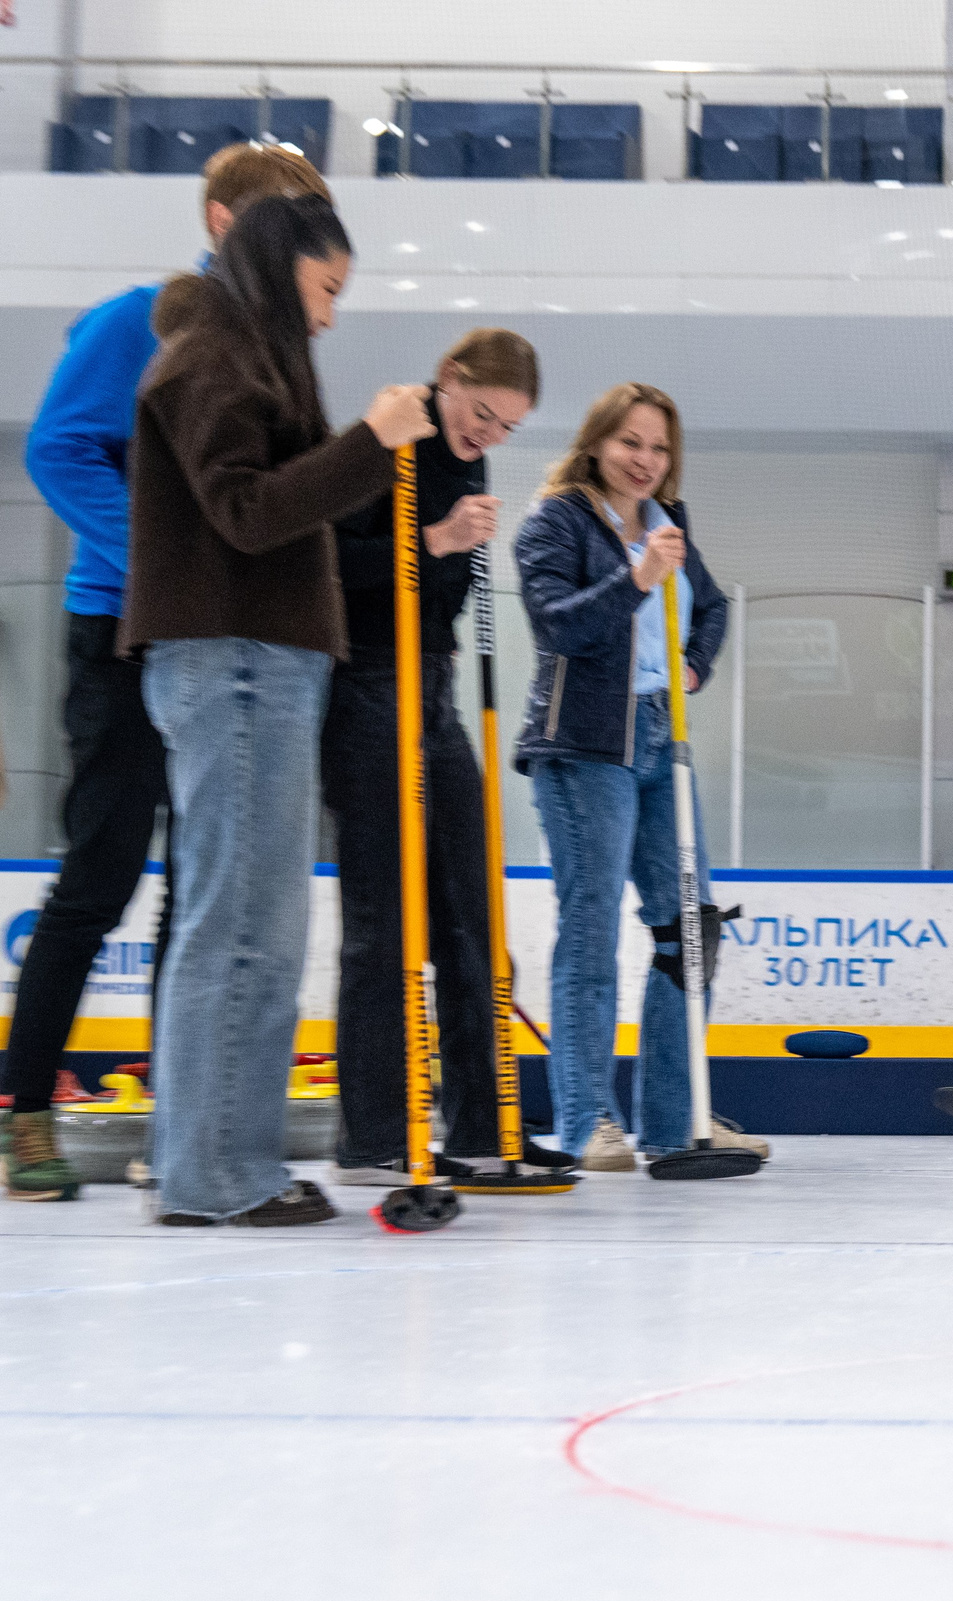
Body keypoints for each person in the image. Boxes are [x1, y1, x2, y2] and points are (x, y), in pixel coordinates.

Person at [7, 142, 331, 1205]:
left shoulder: (271, 339)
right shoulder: (150, 320)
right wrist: (154, 561)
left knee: (212, 883)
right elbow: (58, 448)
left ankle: (181, 1118)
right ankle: (26, 1110)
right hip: (126, 625)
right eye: (281, 216)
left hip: (221, 633)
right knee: (100, 875)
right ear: (222, 219)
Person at [123, 194, 435, 1226]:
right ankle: (212, 1170)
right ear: (276, 265)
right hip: (237, 662)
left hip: (259, 662)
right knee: (242, 928)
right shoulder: (210, 358)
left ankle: (225, 1157)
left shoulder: (238, 355)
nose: (332, 316)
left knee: (259, 923)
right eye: (326, 290)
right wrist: (374, 441)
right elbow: (250, 513)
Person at [324, 329, 569, 1186]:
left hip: (432, 682)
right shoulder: (389, 432)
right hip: (364, 684)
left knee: (473, 907)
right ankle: (374, 1134)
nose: (489, 438)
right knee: (386, 918)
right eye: (483, 416)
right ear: (449, 379)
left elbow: (445, 593)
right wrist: (433, 541)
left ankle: (483, 1122)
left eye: (507, 429)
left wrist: (451, 551)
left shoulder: (470, 459)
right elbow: (325, 563)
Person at [514, 383, 741, 1172]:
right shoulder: (557, 520)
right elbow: (558, 625)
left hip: (660, 735)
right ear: (597, 443)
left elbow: (710, 607)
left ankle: (677, 1122)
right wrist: (637, 578)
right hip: (582, 746)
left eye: (659, 447)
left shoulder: (669, 524)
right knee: (591, 928)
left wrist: (695, 663)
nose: (645, 461)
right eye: (630, 443)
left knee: (693, 928)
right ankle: (587, 1121)